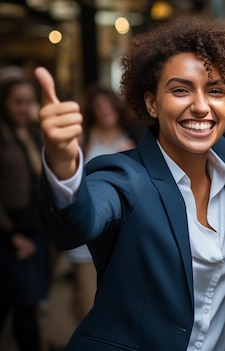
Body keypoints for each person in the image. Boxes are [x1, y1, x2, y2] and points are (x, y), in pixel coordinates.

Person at [34, 15, 225, 351]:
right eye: (181, 90)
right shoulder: (125, 177)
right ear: (152, 103)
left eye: (216, 91)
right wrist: (63, 163)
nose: (200, 106)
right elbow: (77, 222)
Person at [64, 84, 138, 324]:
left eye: (108, 105)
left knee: (119, 307)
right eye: (98, 107)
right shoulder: (82, 141)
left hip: (123, 236)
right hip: (88, 236)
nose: (104, 111)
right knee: (87, 306)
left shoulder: (134, 140)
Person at [0, 76, 49, 351]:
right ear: (5, 103)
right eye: (17, 102)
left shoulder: (33, 132)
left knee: (18, 302)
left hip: (36, 227)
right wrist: (11, 235)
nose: (23, 108)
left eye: (29, 102)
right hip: (11, 231)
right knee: (23, 304)